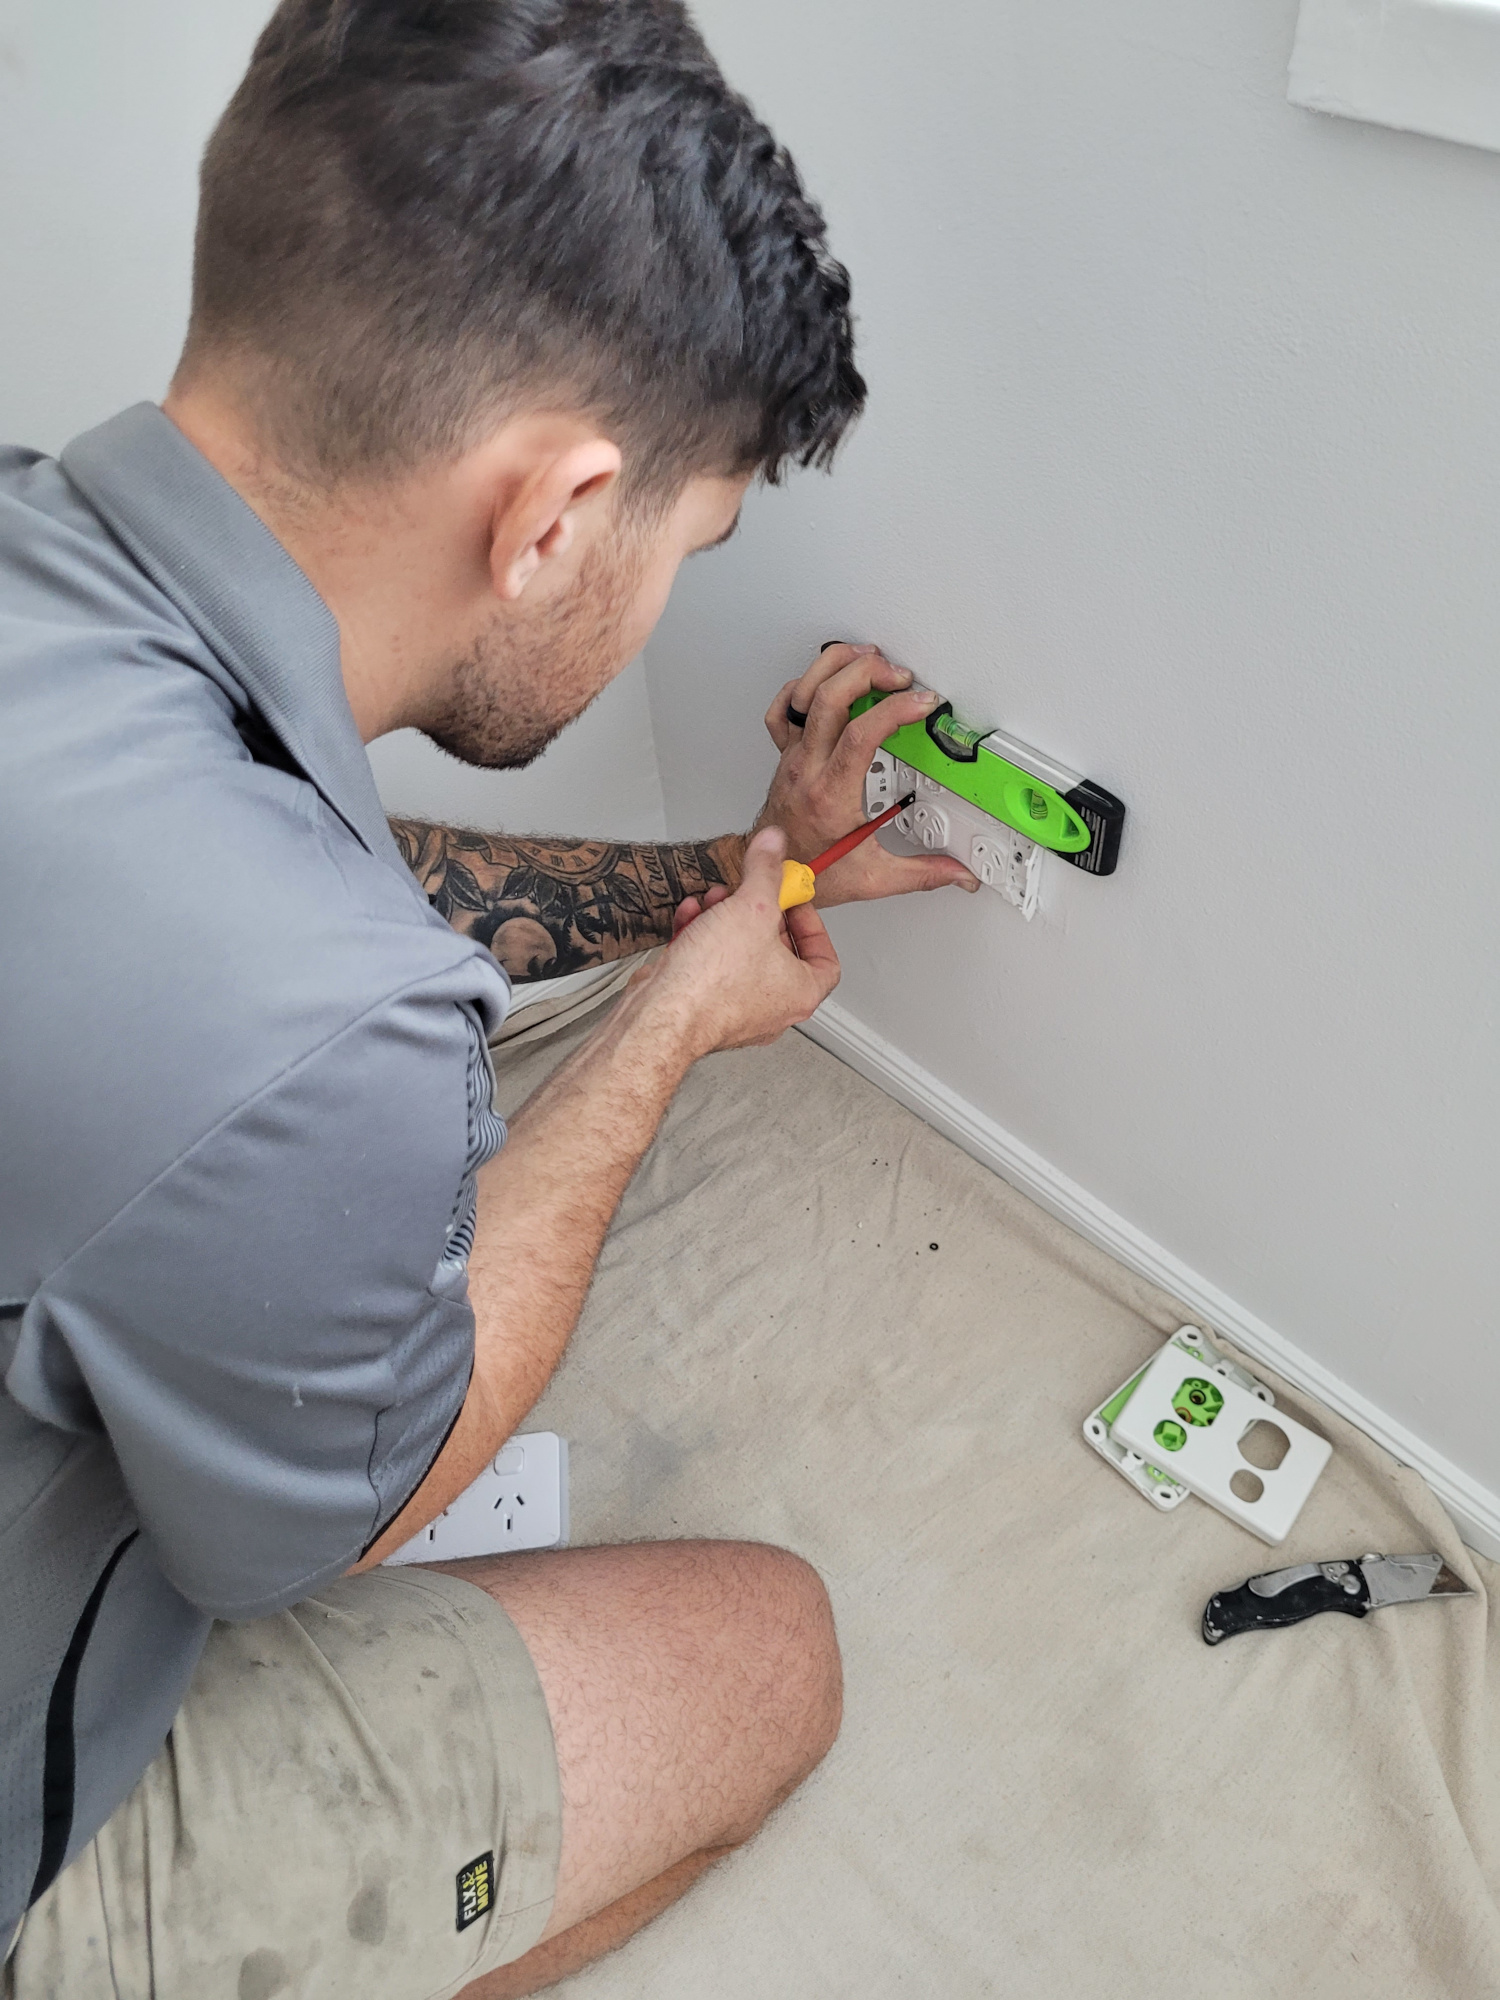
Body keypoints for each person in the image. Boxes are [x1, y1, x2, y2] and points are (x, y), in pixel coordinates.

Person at [0, 3, 975, 1994]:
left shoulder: (57, 583)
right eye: (686, 542)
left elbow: (310, 869)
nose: (669, 598)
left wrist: (724, 881)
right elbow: (322, 1525)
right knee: (770, 1657)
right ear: (548, 517)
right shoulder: (318, 1031)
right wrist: (674, 1027)